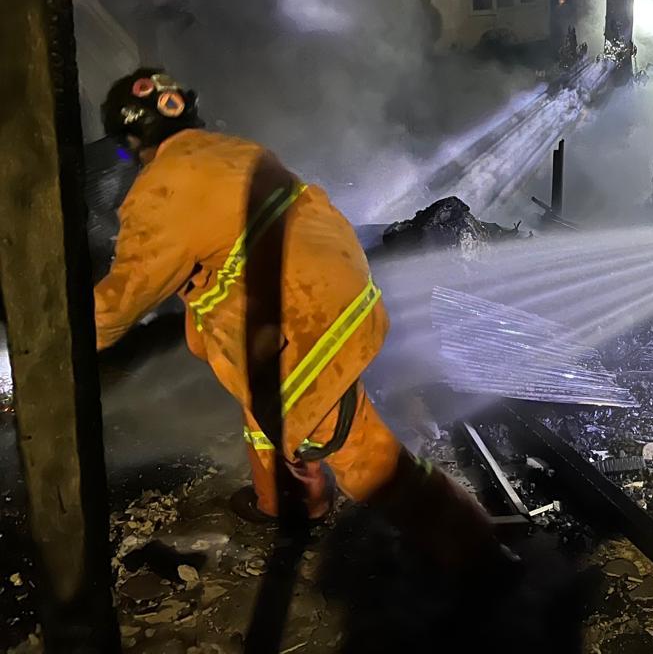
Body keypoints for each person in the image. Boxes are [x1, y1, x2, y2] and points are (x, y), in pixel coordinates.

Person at [94, 69, 507, 574]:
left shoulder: (159, 189)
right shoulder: (236, 151)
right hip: (340, 300)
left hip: (301, 326)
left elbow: (116, 306)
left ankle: (480, 554)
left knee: (364, 455)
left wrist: (46, 341)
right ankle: (286, 502)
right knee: (263, 410)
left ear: (133, 142)